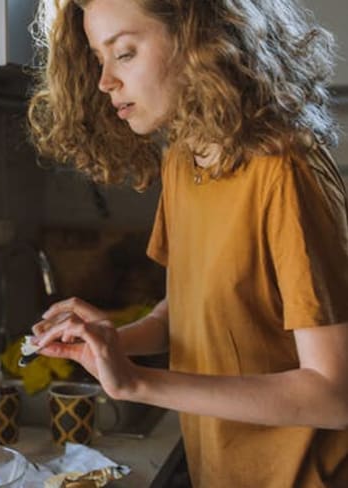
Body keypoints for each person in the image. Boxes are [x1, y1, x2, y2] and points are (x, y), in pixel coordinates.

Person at [26, 0, 348, 486]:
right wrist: (106, 342)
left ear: (200, 40)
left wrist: (138, 382)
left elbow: (334, 395)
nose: (104, 81)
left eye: (126, 53)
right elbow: (178, 316)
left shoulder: (284, 171)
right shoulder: (183, 159)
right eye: (99, 59)